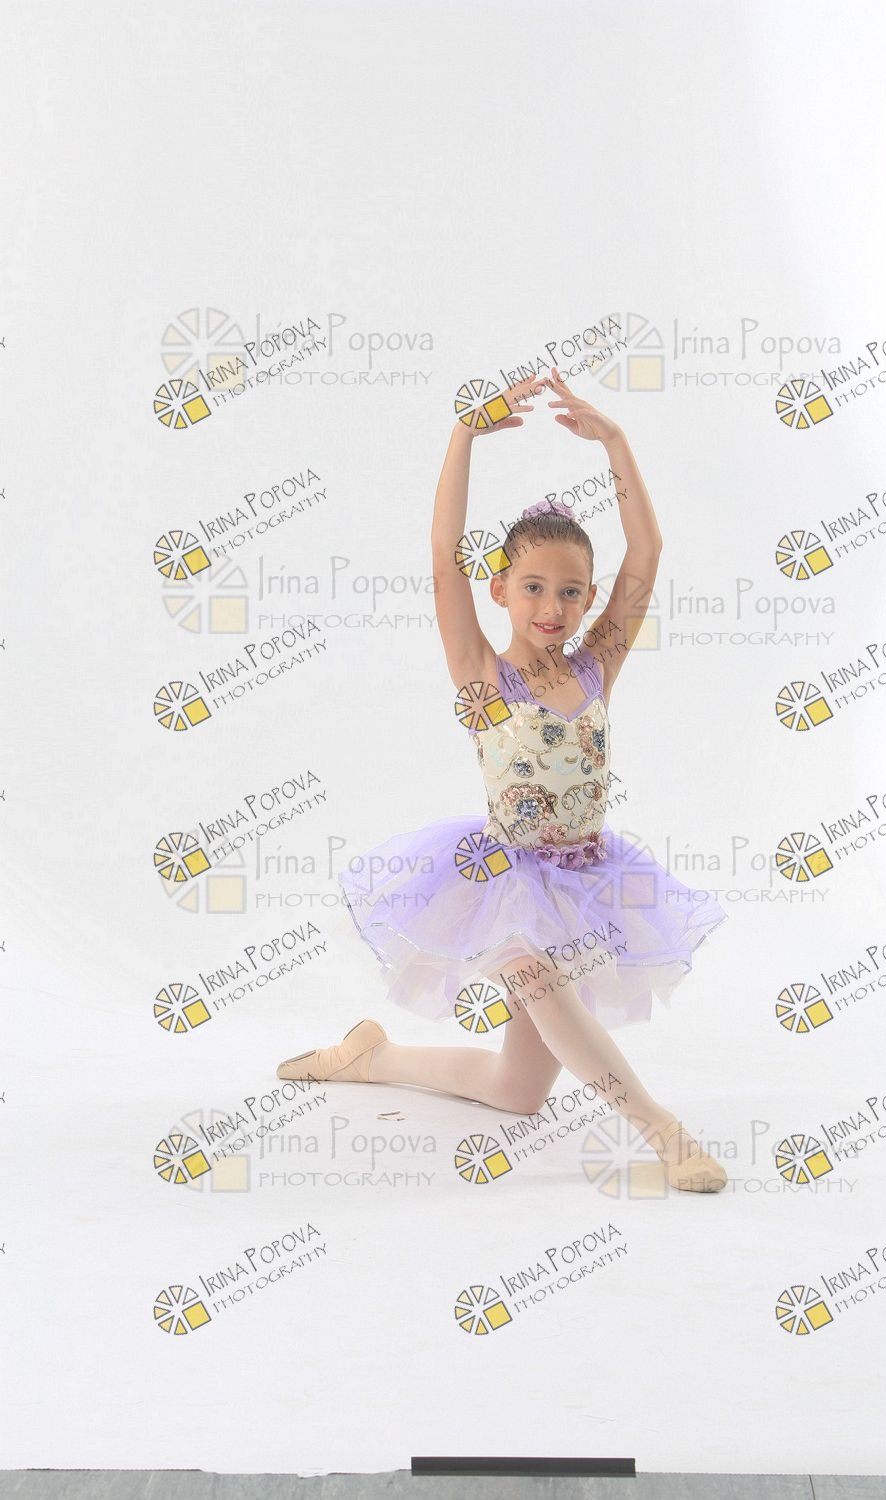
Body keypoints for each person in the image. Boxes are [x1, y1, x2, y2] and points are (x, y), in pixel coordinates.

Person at [276, 368, 729, 1191]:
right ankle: (660, 1130)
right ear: (500, 590)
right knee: (537, 977)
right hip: (504, 879)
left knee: (518, 1093)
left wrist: (616, 444)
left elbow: (648, 554)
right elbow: (442, 556)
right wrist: (464, 436)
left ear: (590, 600)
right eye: (533, 588)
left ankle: (374, 1058)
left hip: (584, 883)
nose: (552, 606)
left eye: (570, 592)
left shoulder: (596, 666)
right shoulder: (483, 675)